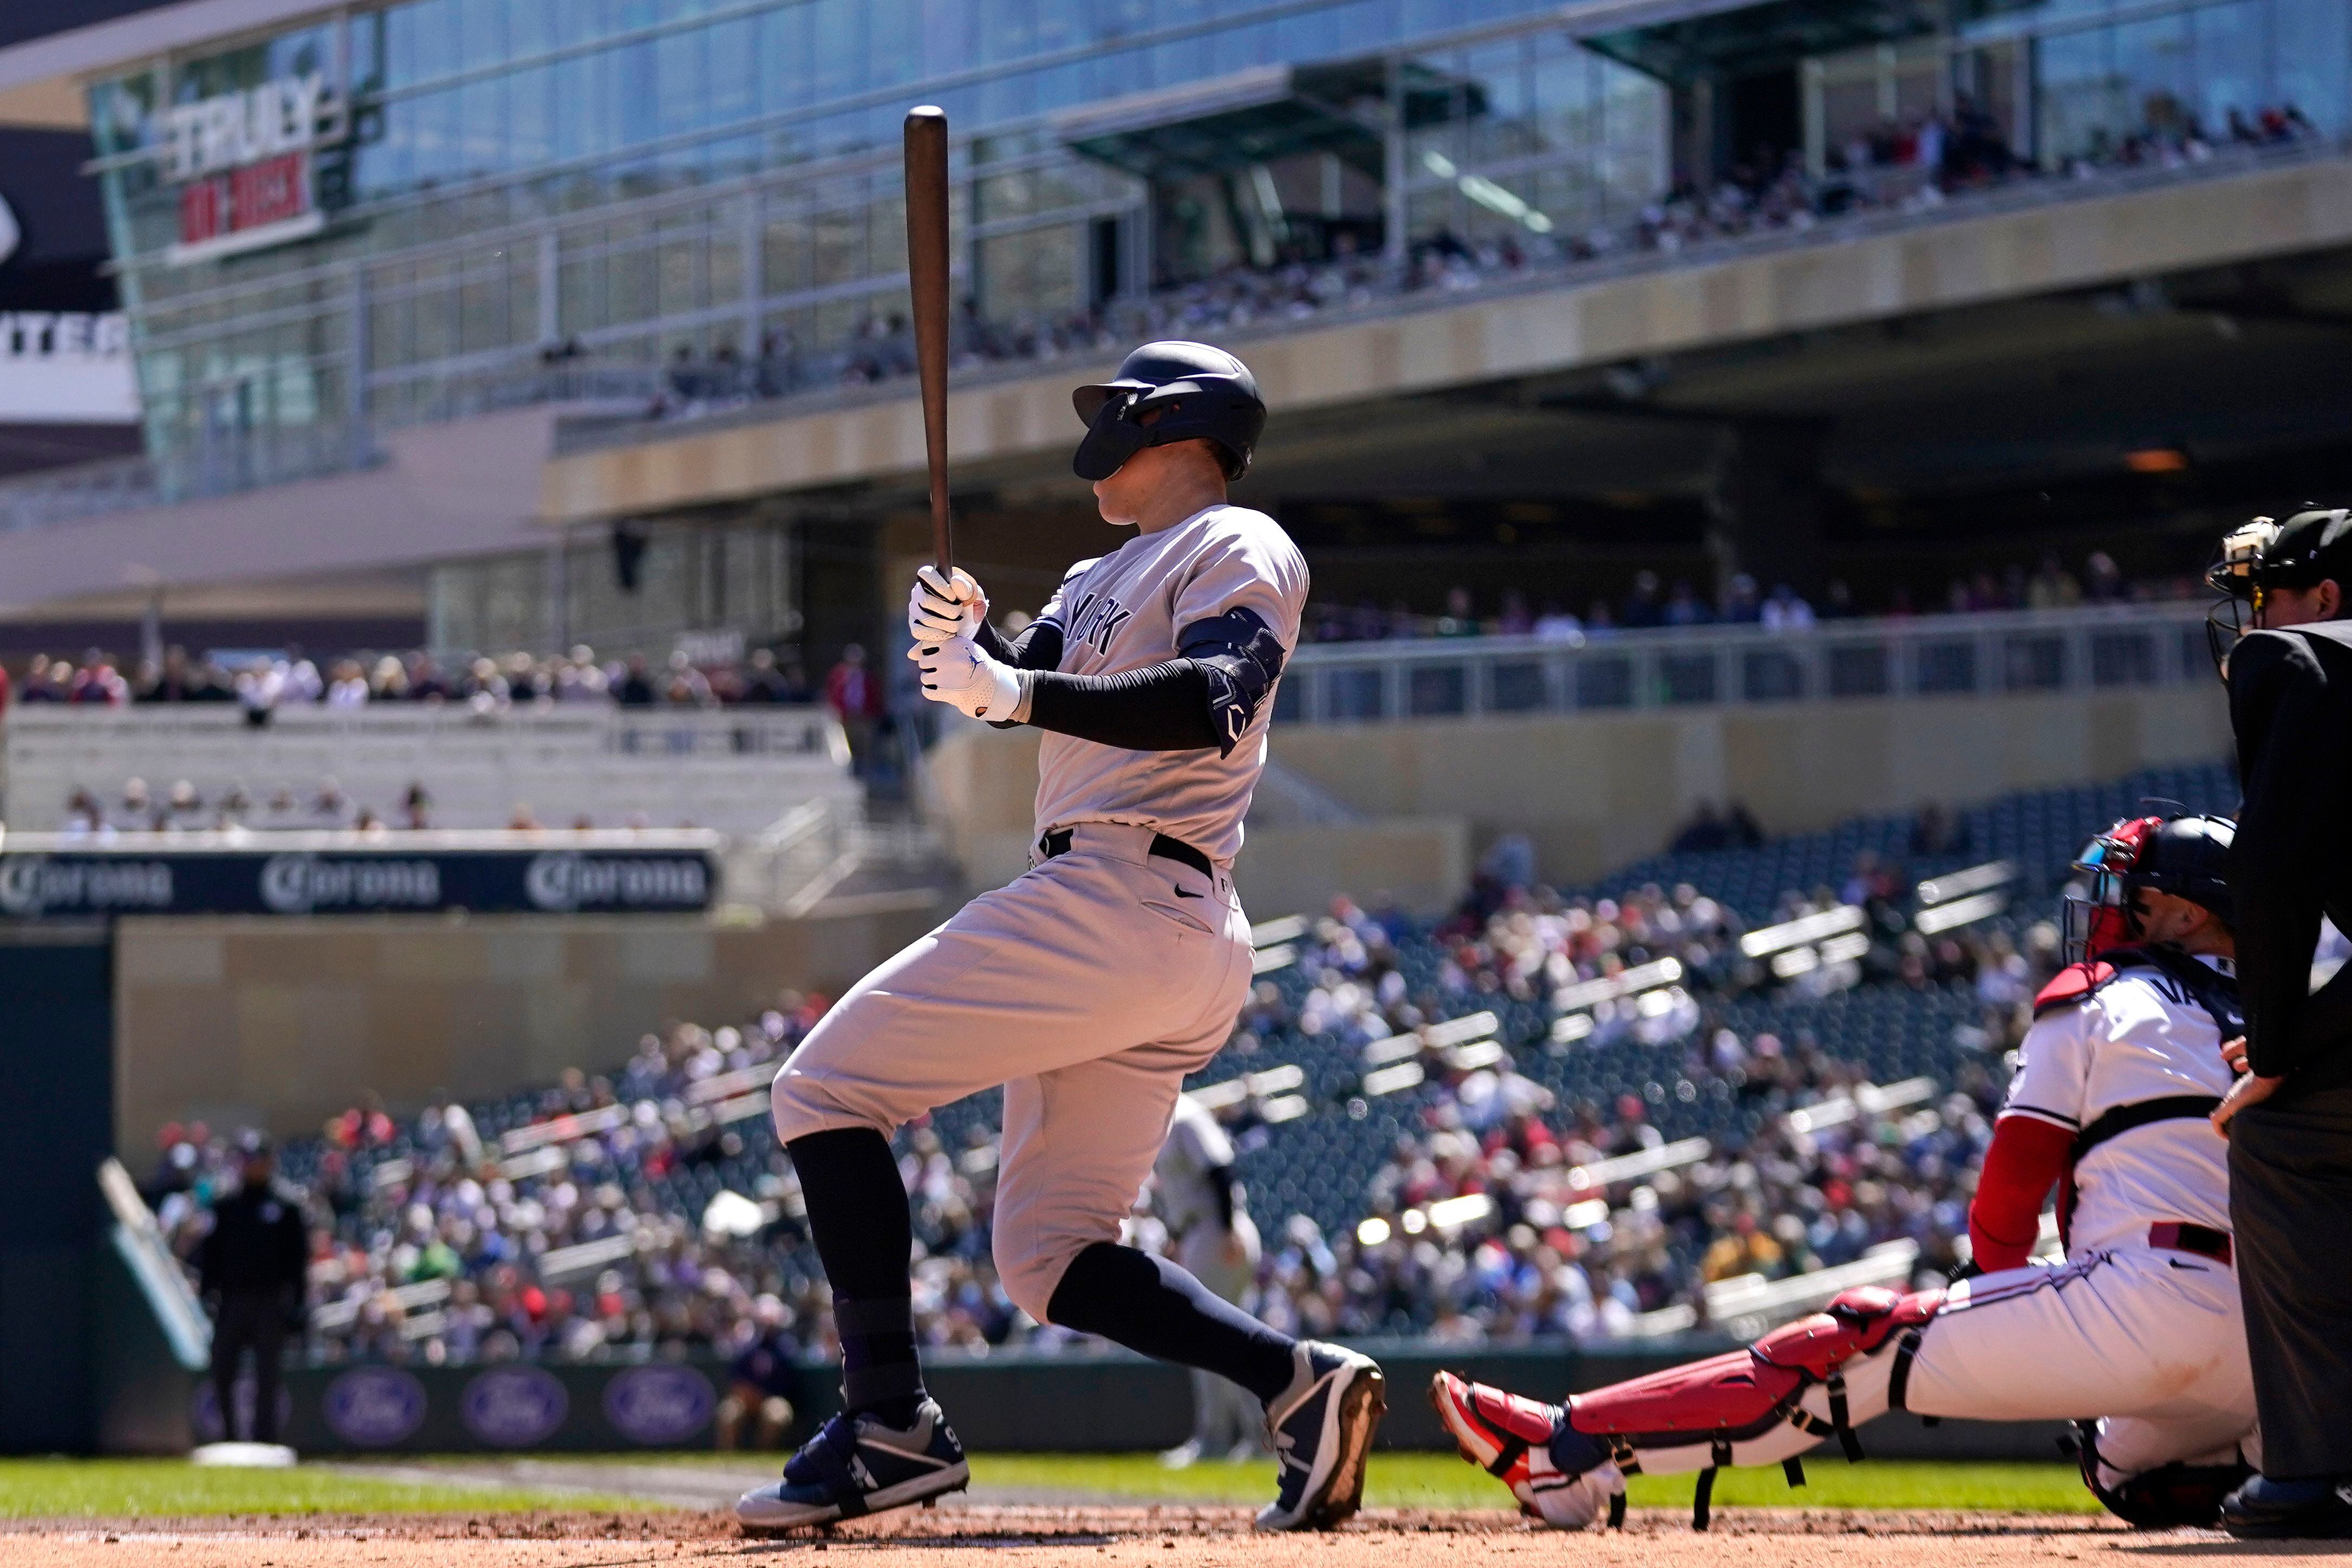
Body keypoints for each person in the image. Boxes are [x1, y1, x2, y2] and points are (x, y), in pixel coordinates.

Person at [736, 341, 1383, 1536]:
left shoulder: (1234, 540)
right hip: (1145, 931)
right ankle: (1293, 1381)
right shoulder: (1101, 570)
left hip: (1125, 897)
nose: (1097, 434)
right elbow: (1012, 677)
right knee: (1045, 1255)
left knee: (822, 1087)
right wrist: (959, 645)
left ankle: (886, 1417)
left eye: (1118, 415)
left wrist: (1011, 688)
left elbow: (1212, 697)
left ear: (1174, 429)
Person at [1429, 814, 2258, 1532]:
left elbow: (2009, 1199)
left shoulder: (2099, 995)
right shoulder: (2284, 1021)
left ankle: (1563, 1450)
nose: (2110, 911)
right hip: (2283, 1343)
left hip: (2147, 1300)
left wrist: (1983, 1307)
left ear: (2184, 913)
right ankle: (2284, 1474)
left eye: (2133, 897)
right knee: (2122, 1466)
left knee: (1859, 1343)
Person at [2202, 507, 2352, 1536]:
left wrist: (2281, 1046)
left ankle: (2307, 1473)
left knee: (2278, 1136)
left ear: (2325, 599)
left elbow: (2271, 871)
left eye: (2262, 595)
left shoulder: (2298, 663)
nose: (2253, 621)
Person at [1154, 1094, 1265, 1468]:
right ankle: (1261, 1437)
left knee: (1204, 1339)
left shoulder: (1185, 1115)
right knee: (1231, 1341)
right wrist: (1177, 1235)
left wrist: (1227, 1228)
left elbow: (1220, 1169)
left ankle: (1215, 1438)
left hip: (1216, 1232)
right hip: (1200, 1232)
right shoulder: (1164, 1118)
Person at [196, 1133, 309, 1447]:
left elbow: (298, 1260)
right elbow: (211, 1255)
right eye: (247, 1160)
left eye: (258, 1159)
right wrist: (207, 1294)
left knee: (268, 1374)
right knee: (222, 1368)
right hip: (231, 1301)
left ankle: (265, 1439)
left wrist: (298, 1303)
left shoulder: (285, 1206)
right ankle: (229, 1436)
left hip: (270, 1301)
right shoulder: (226, 1205)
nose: (252, 1166)